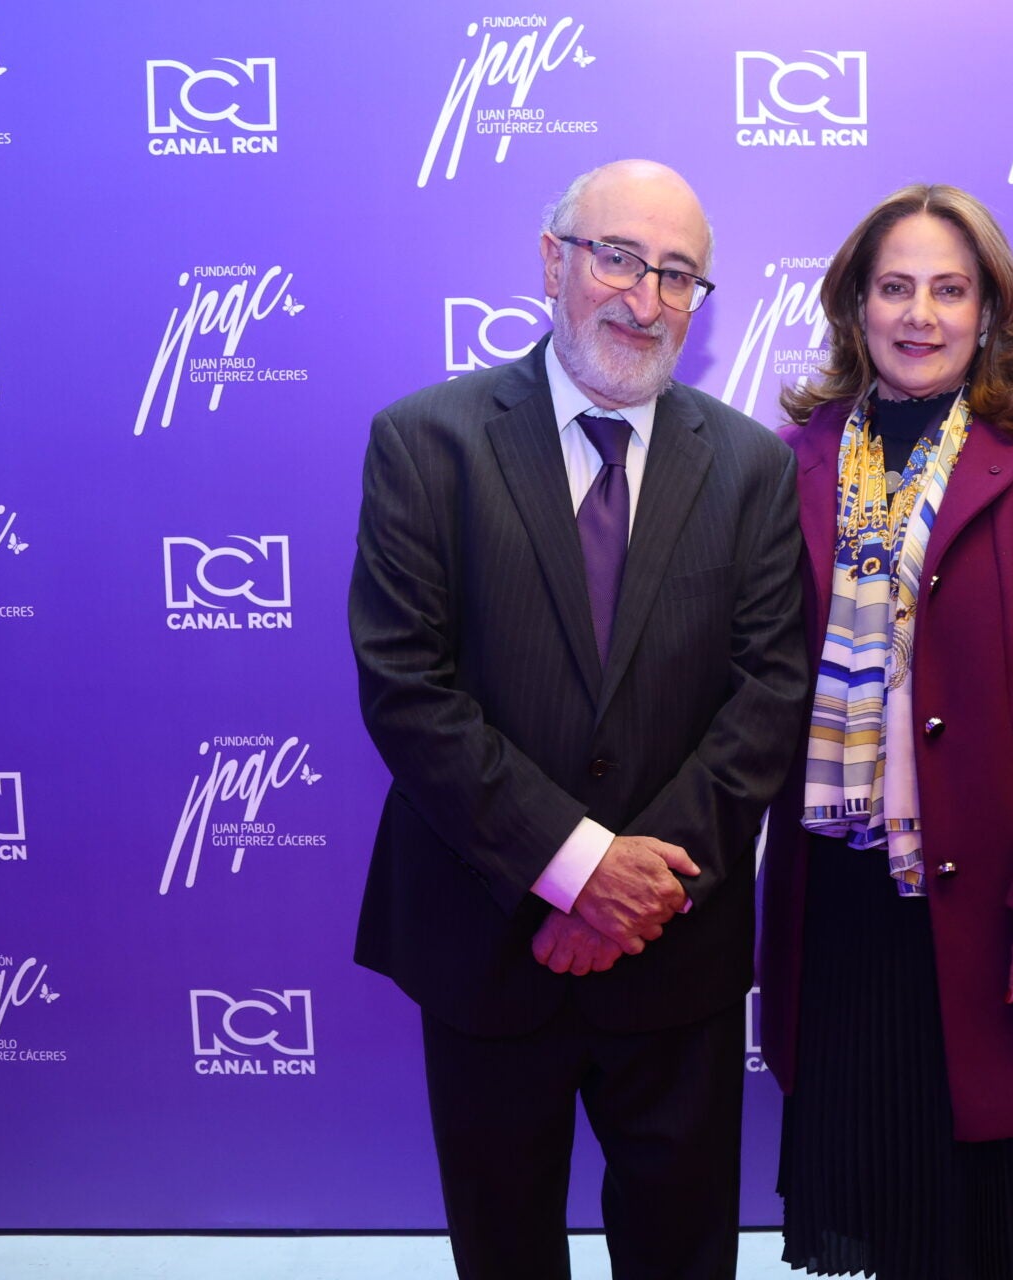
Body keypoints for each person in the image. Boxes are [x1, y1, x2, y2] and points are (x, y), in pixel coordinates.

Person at [349, 158, 810, 1280]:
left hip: (673, 942)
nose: (643, 299)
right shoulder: (427, 441)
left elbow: (768, 694)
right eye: (617, 257)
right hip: (485, 931)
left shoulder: (750, 466)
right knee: (504, 1250)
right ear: (553, 261)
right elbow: (407, 687)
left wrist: (625, 896)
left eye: (678, 275)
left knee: (682, 1249)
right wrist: (571, 865)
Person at [759, 184, 1013, 1278]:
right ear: (853, 306)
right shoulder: (787, 459)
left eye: (949, 288)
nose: (919, 314)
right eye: (895, 287)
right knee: (888, 1211)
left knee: (999, 1233)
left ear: (990, 311)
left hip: (1001, 913)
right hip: (842, 908)